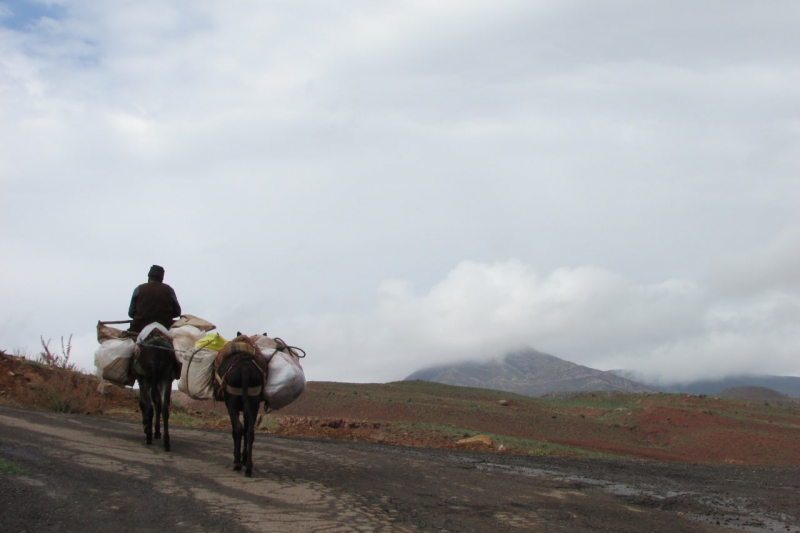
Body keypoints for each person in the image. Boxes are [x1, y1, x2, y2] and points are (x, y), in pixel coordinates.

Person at [128, 265, 182, 334]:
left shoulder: (139, 289)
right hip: (165, 328)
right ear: (161, 279)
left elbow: (131, 313)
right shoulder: (169, 289)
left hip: (139, 328)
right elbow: (177, 312)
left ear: (149, 277)